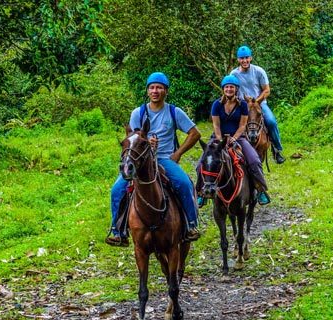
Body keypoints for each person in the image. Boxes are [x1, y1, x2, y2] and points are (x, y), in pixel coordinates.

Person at [106, 72, 202, 247]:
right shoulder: (138, 112)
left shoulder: (174, 112)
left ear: (165, 91)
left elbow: (195, 133)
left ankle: (191, 224)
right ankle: (117, 230)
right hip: (141, 161)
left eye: (159, 87)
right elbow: (134, 136)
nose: (155, 91)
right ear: (147, 91)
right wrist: (146, 142)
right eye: (152, 87)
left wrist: (178, 153)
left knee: (184, 183)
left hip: (165, 159)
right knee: (117, 189)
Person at [196, 75, 271, 207]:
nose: (229, 89)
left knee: (254, 160)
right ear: (223, 89)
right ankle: (202, 193)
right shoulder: (216, 105)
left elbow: (243, 125)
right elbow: (216, 125)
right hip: (218, 137)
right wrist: (221, 140)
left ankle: (260, 190)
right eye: (227, 87)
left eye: (232, 87)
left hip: (239, 137)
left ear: (236, 89)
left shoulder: (242, 105)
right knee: (200, 165)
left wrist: (234, 138)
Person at [231, 45, 285, 164]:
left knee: (270, 121)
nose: (244, 61)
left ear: (250, 58)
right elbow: (232, 91)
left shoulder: (259, 71)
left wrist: (256, 101)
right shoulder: (234, 74)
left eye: (246, 58)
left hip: (259, 104)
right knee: (230, 121)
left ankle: (277, 149)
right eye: (241, 58)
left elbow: (267, 90)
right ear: (238, 60)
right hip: (242, 104)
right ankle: (227, 148)